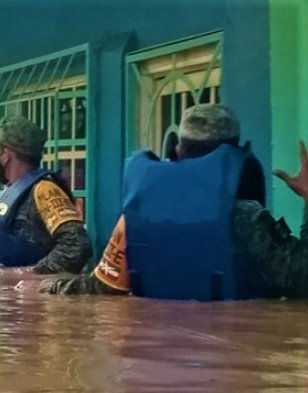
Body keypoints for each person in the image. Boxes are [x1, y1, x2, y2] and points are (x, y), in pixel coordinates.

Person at [40, 103, 308, 300]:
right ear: (236, 156)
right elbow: (301, 280)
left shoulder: (135, 218)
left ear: (178, 151)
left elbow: (101, 287)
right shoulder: (248, 219)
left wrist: (48, 285)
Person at [0, 115, 92, 274]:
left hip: (28, 295)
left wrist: (29, 274)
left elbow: (77, 245)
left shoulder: (44, 190)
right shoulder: (9, 195)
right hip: (3, 295)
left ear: (5, 155)